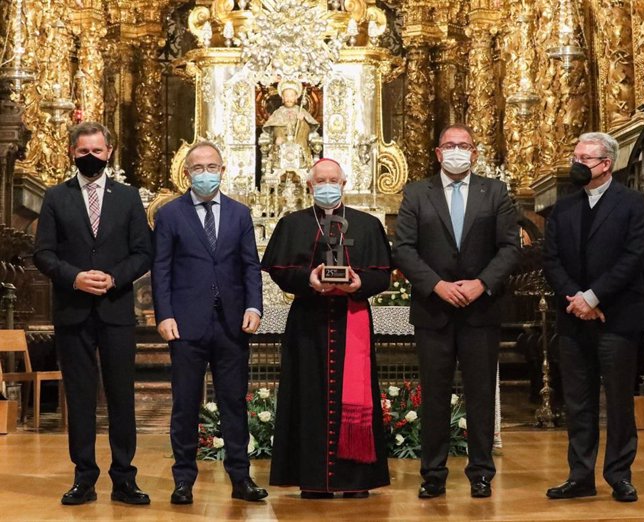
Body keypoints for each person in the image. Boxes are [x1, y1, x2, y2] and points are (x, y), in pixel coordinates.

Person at [393, 123, 521, 499]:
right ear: (437, 153)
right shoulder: (417, 193)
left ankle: (481, 472)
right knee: (433, 395)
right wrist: (437, 285)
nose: (456, 151)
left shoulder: (495, 192)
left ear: (475, 153)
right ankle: (433, 473)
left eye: (463, 145)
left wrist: (481, 283)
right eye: (449, 145)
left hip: (482, 311)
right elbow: (404, 248)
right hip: (434, 310)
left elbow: (510, 248)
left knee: (481, 395)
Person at [34, 121, 152, 506]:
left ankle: (124, 478)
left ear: (109, 152)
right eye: (83, 151)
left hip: (116, 310)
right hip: (73, 311)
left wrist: (114, 277)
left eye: (97, 151)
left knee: (121, 397)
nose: (90, 157)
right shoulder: (55, 197)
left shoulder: (129, 197)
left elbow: (143, 252)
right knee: (81, 399)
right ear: (72, 153)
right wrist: (75, 278)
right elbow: (43, 253)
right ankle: (84, 477)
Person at [262, 158, 391, 499]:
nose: (327, 185)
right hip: (308, 324)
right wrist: (309, 279)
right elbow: (279, 269)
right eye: (321, 180)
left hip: (353, 321)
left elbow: (383, 274)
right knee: (307, 397)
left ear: (344, 183)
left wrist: (360, 283)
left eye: (333, 179)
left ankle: (355, 479)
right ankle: (313, 479)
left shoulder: (365, 224)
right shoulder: (293, 224)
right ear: (309, 185)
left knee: (355, 395)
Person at [151, 141, 267, 504]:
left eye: (212, 166)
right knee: (185, 403)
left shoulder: (238, 213)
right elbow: (162, 269)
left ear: (223, 170)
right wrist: (164, 314)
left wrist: (255, 307)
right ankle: (183, 479)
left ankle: (240, 478)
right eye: (198, 168)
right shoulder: (171, 214)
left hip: (231, 323)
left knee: (234, 402)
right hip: (185, 323)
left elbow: (250, 265)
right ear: (187, 173)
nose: (205, 173)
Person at [543, 132, 644, 503]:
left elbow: (632, 258)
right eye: (575, 156)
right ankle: (580, 475)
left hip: (617, 318)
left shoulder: (633, 203)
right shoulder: (564, 207)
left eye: (585, 158)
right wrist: (575, 299)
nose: (577, 164)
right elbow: (551, 258)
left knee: (619, 401)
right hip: (573, 317)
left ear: (606, 164)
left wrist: (594, 296)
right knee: (578, 401)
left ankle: (619, 474)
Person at [262, 79, 319, 168]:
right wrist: (277, 138)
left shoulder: (300, 111)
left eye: (292, 96)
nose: (289, 99)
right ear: (282, 98)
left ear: (296, 97)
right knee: (278, 128)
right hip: (282, 145)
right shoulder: (278, 112)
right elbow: (271, 129)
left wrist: (302, 121)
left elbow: (310, 127)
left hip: (298, 144)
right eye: (286, 96)